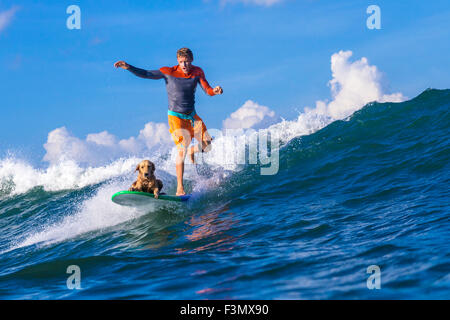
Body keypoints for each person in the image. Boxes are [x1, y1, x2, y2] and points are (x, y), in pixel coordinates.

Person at [114, 48, 223, 196]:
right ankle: (180, 187)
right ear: (177, 61)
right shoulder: (168, 72)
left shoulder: (197, 72)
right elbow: (146, 74)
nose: (184, 65)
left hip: (192, 116)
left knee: (207, 145)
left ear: (191, 60)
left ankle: (193, 150)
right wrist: (129, 67)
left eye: (187, 62)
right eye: (181, 62)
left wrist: (215, 91)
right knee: (181, 150)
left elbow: (207, 90)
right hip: (175, 118)